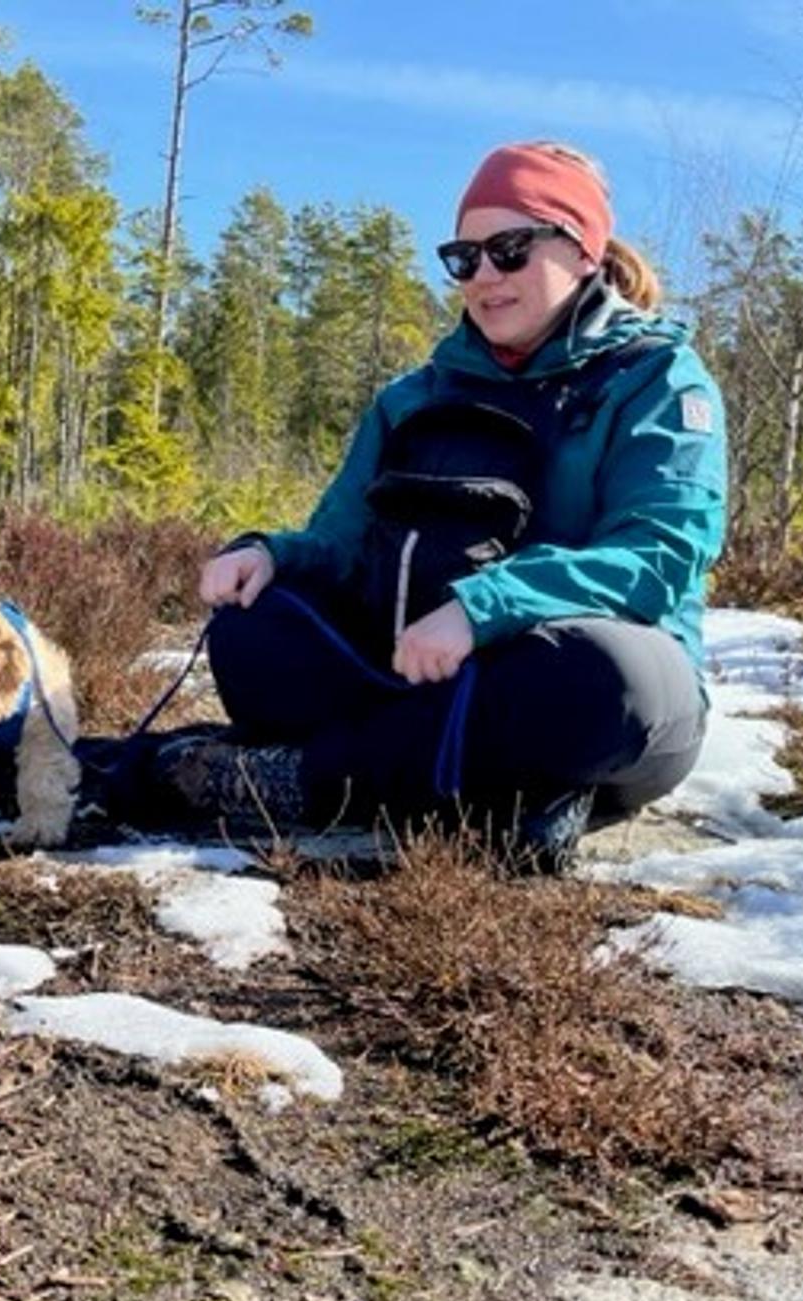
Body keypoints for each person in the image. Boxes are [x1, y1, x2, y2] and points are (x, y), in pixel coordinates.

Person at [155, 141, 727, 866]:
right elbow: (338, 541)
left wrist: (484, 607)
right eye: (466, 257)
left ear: (583, 251)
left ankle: (308, 780)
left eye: (512, 249)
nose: (485, 275)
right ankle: (505, 793)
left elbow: (660, 556)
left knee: (609, 686)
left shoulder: (659, 378)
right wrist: (267, 553)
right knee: (251, 629)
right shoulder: (414, 396)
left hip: (569, 674)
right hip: (411, 667)